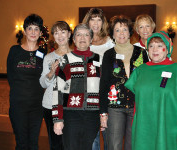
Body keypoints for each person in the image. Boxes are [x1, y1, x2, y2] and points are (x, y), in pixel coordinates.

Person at [125, 31, 177, 150]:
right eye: (151, 46)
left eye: (160, 46)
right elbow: (137, 103)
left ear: (167, 49)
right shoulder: (140, 71)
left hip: (168, 128)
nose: (154, 50)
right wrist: (135, 126)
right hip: (143, 129)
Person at [100, 15, 149, 150]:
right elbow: (103, 84)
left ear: (130, 32)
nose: (121, 33)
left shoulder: (141, 53)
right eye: (117, 30)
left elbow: (146, 81)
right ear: (112, 34)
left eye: (124, 29)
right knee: (114, 146)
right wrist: (103, 113)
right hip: (115, 107)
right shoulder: (109, 54)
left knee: (133, 145)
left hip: (136, 106)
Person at [52, 23, 101, 150]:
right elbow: (57, 91)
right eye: (78, 35)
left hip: (92, 114)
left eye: (86, 35)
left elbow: (104, 88)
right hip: (71, 115)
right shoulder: (65, 60)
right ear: (73, 39)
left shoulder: (99, 60)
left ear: (91, 39)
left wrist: (103, 115)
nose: (82, 38)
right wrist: (57, 119)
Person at [7, 14, 46, 150]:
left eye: (36, 29)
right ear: (24, 31)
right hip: (18, 105)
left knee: (34, 143)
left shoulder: (43, 53)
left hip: (36, 106)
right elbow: (10, 77)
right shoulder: (14, 51)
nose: (33, 32)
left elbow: (44, 79)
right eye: (30, 28)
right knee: (22, 143)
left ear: (41, 32)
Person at [82, 7, 114, 150]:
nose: (95, 23)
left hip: (107, 94)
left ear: (103, 22)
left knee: (108, 136)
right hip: (89, 94)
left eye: (99, 19)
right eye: (92, 19)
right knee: (92, 137)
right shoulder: (82, 41)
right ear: (87, 21)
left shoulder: (110, 41)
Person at [39, 21, 72, 150]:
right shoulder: (48, 57)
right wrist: (51, 72)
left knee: (70, 143)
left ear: (69, 34)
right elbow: (42, 83)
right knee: (56, 144)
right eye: (56, 33)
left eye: (63, 32)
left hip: (70, 106)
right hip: (50, 105)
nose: (60, 36)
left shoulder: (77, 56)